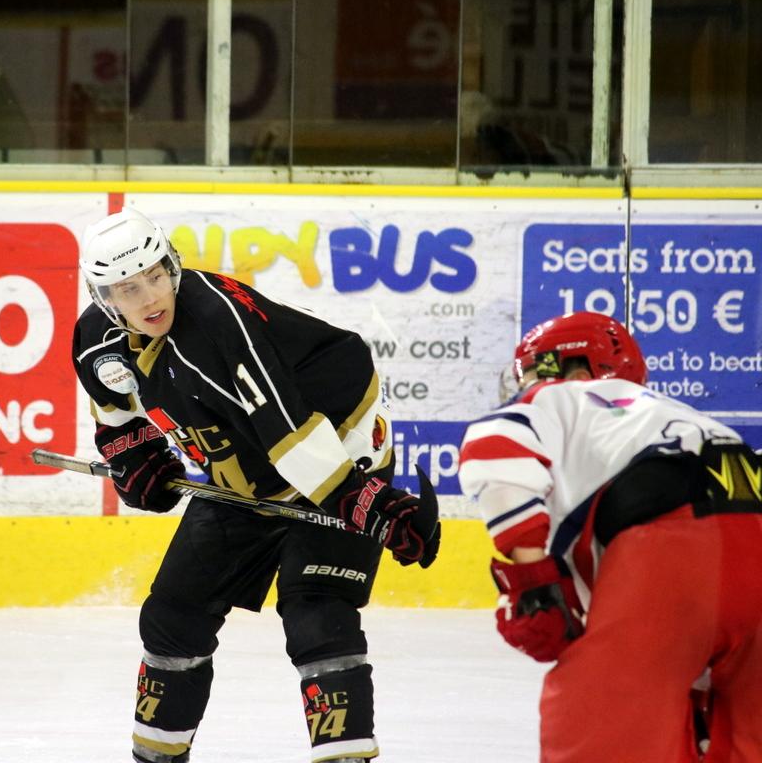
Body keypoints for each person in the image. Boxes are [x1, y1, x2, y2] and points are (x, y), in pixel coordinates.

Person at [71, 208, 441, 763]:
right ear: (104, 297)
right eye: (127, 288)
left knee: (318, 614)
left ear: (171, 265)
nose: (149, 297)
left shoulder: (218, 322)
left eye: (154, 275)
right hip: (245, 478)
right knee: (174, 614)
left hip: (337, 452)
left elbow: (289, 433)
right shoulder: (95, 340)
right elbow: (117, 417)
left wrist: (374, 506)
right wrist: (137, 459)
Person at [458, 311, 762, 763]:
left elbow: (493, 445)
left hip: (668, 545)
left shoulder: (559, 397)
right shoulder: (679, 416)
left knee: (597, 719)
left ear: (573, 367)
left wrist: (533, 579)